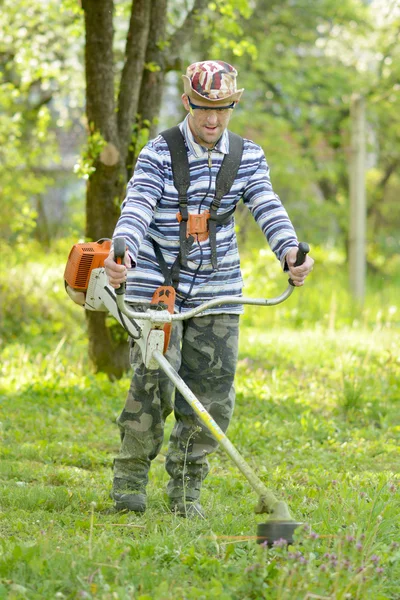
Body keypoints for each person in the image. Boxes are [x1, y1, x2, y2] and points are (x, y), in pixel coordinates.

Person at [104, 60, 314, 518]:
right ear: (187, 103)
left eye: (222, 108)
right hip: (156, 285)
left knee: (213, 395)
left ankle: (185, 492)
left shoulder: (248, 156)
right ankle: (129, 484)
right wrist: (122, 256)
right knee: (153, 384)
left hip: (219, 289)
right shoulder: (158, 153)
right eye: (203, 109)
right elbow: (137, 208)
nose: (213, 120)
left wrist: (290, 252)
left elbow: (267, 206)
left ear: (233, 104)